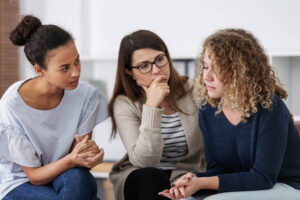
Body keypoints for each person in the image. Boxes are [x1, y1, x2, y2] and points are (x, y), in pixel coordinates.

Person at [159, 28, 300, 200]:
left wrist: (202, 183)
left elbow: (264, 177)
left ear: (240, 73)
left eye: (217, 69)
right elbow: (220, 170)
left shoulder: (270, 107)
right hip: (247, 187)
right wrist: (192, 180)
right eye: (205, 66)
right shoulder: (207, 110)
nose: (207, 76)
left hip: (286, 185)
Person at [0, 15, 109, 200]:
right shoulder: (12, 105)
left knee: (76, 178)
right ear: (39, 70)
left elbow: (78, 161)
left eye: (77, 61)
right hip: (21, 183)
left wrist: (87, 158)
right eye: (64, 68)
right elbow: (34, 177)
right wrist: (73, 159)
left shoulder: (87, 96)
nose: (76, 72)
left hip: (67, 175)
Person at [108, 30, 206, 200]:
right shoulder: (125, 103)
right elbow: (145, 162)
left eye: (160, 59)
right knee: (151, 178)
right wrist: (152, 106)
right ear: (129, 72)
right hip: (142, 176)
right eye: (144, 66)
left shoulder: (195, 89)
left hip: (187, 173)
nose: (156, 70)